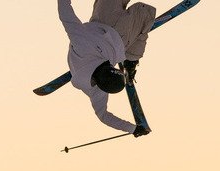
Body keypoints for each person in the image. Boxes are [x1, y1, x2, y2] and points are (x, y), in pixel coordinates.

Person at [58, 0, 156, 136]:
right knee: (144, 12)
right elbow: (104, 116)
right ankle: (131, 59)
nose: (110, 64)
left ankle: (131, 57)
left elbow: (66, 15)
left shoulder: (81, 44)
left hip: (101, 21)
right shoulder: (97, 91)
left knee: (141, 14)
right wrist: (132, 128)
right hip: (121, 38)